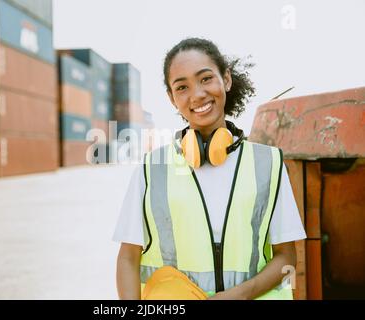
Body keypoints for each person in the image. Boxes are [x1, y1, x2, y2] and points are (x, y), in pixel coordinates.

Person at [113, 38, 306, 300]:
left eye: (205, 79)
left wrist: (239, 295)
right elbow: (127, 258)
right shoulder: (151, 169)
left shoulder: (268, 163)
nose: (197, 94)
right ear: (172, 98)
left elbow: (286, 257)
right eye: (182, 87)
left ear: (225, 79)